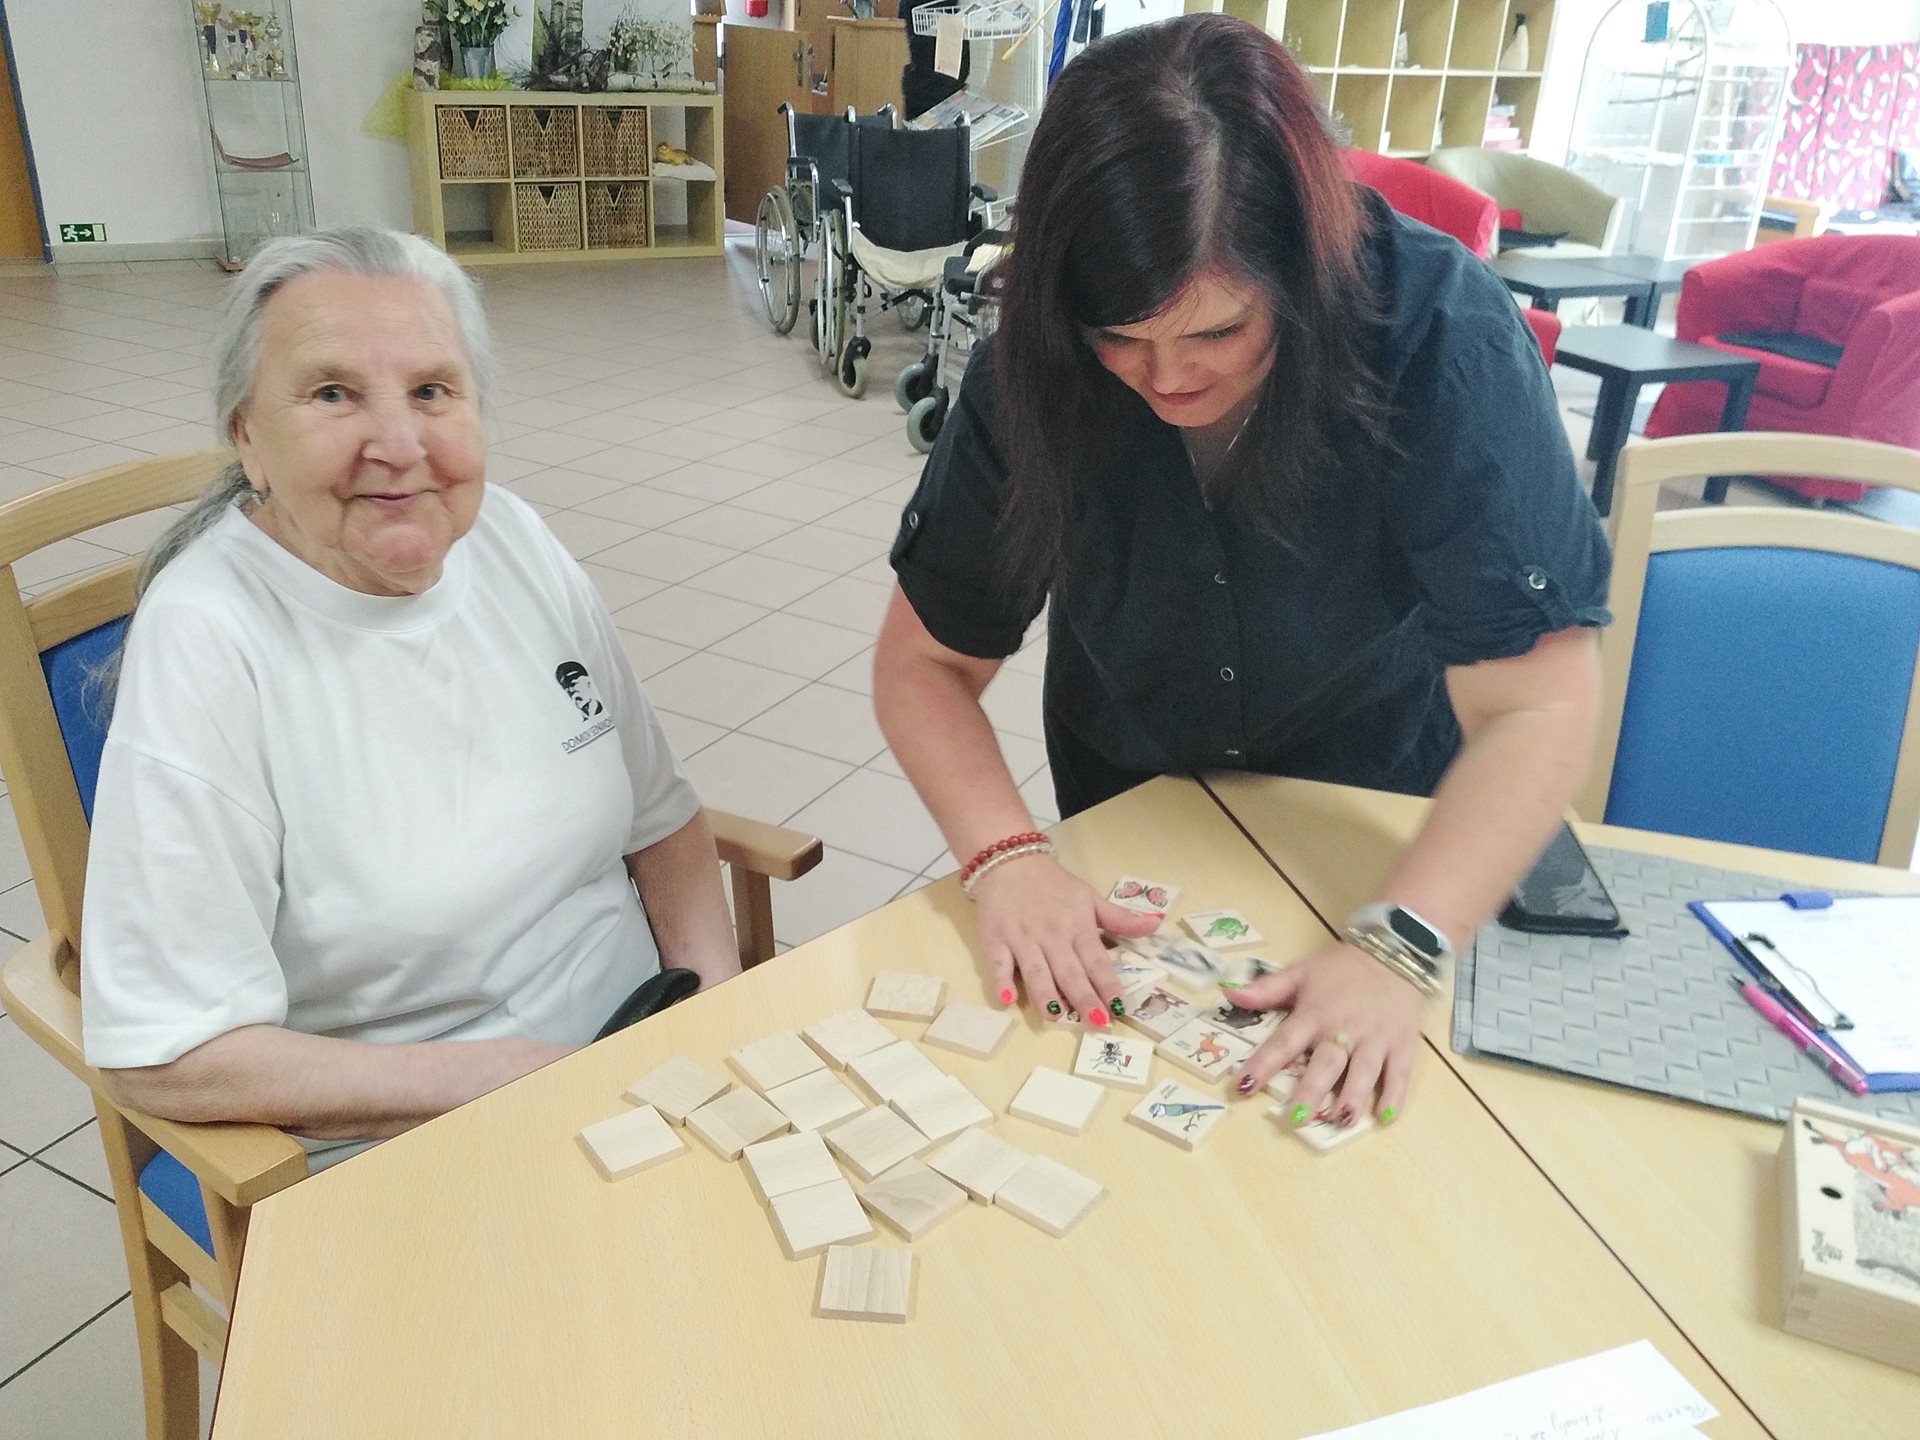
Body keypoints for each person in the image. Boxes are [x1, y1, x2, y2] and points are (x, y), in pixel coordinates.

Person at [875, 16, 1610, 1130]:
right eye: (1121, 337)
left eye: (1218, 332)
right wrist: (1007, 858)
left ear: (1303, 278)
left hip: (1384, 828)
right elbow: (923, 666)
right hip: (1135, 807)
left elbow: (1539, 700)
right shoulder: (1036, 359)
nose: (1166, 378)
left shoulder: (1439, 336)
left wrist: (1402, 944)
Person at [80, 228, 736, 1159]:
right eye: (333, 393)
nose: (397, 445)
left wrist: (712, 1026)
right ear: (248, 437)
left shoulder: (510, 536)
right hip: (424, 1138)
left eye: (431, 391)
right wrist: (507, 1083)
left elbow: (665, 823)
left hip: (641, 1057)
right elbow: (169, 1052)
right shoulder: (208, 638)